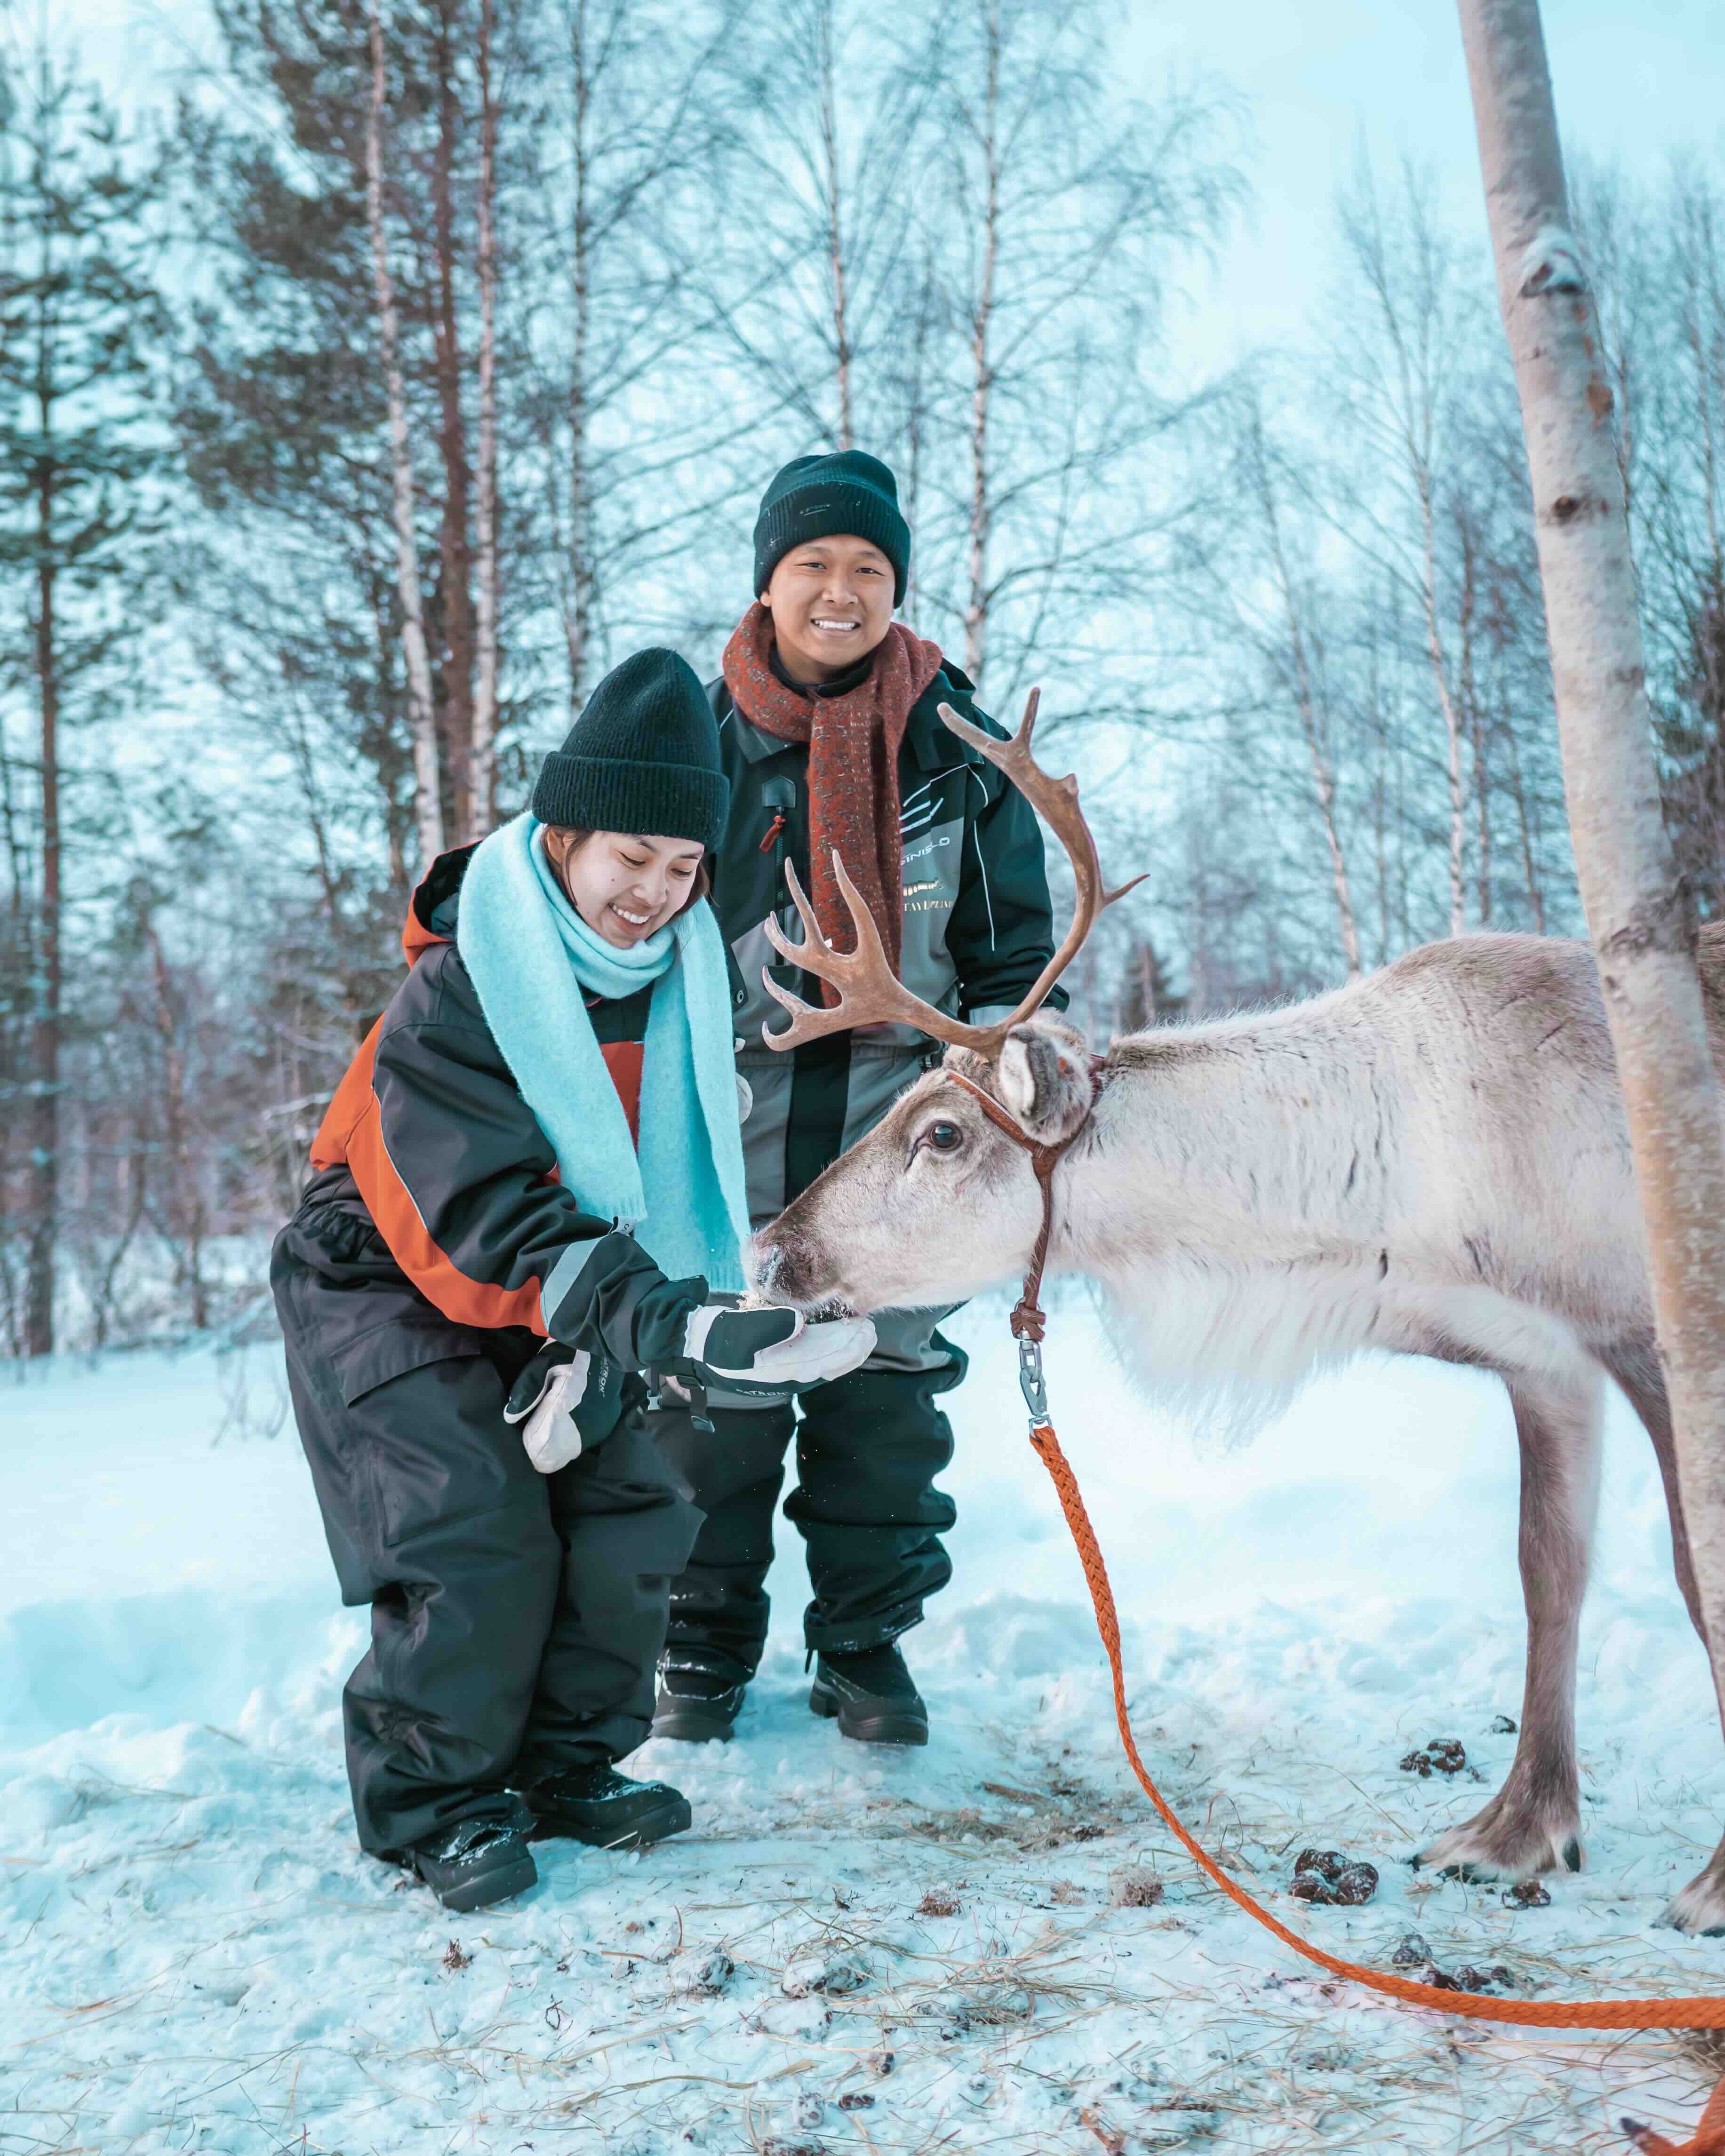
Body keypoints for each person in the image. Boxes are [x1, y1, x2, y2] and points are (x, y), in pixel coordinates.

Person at [272, 649, 875, 1912]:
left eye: (681, 868)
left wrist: (741, 1310)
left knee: (630, 1509)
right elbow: (484, 1207)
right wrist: (669, 1318)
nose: (653, 896)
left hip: (566, 1285)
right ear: (560, 839)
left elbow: (675, 1186)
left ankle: (561, 1772)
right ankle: (435, 1807)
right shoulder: (458, 987)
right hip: (387, 1266)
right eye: (628, 858)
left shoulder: (680, 988)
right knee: (471, 1527)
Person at [650, 452, 1062, 1750]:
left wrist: (1016, 1053)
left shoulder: (957, 741)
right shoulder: (691, 740)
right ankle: (702, 1646)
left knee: (884, 1409)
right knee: (716, 1408)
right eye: (814, 566)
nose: (841, 592)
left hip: (902, 1138)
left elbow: (1011, 954)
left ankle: (863, 1645)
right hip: (729, 1136)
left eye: (868, 570)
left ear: (896, 586)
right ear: (767, 583)